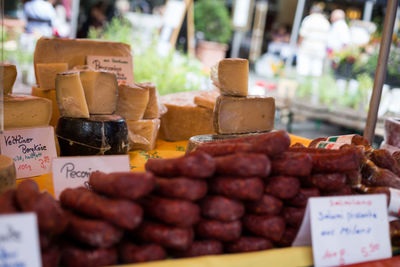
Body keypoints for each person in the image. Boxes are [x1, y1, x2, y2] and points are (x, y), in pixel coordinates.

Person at [296, 5, 330, 77]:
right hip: (320, 48)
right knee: (316, 70)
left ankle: (302, 87)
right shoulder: (325, 22)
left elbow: (302, 34)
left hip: (307, 47)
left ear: (311, 11)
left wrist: (298, 44)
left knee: (303, 69)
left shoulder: (308, 19)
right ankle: (314, 87)